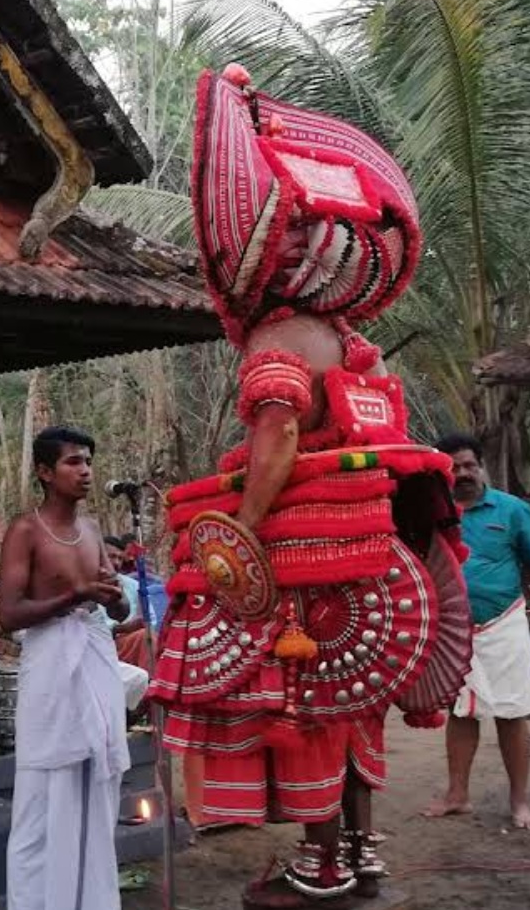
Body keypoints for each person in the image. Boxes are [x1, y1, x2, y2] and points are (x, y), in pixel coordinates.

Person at [146, 63, 476, 908]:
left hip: (305, 567)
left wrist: (243, 526)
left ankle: (320, 866)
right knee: (351, 708)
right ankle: (360, 854)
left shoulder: (277, 339)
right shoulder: (351, 343)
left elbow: (280, 434)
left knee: (303, 709)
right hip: (370, 556)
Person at [0, 425, 132, 910]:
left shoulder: (93, 530)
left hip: (96, 660)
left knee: (97, 788)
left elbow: (119, 611)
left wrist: (112, 598)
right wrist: (74, 595)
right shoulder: (26, 531)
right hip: (51, 669)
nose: (86, 471)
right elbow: (8, 614)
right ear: (44, 471)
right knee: (40, 801)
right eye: (74, 462)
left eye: (88, 461)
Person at [423, 433, 530, 830]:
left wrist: (501, 591)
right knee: (461, 711)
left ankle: (520, 802)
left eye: (469, 465)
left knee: (511, 713)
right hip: (453, 628)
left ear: (481, 467)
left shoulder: (513, 510)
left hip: (504, 623)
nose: (463, 473)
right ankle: (457, 795)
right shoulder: (431, 513)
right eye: (454, 468)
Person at [104, 535, 152, 669]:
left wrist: (143, 622)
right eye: (111, 557)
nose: (116, 563)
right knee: (144, 637)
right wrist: (120, 629)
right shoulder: (89, 586)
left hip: (133, 640)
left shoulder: (133, 585)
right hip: (104, 644)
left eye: (120, 558)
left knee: (148, 636)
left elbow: (150, 619)